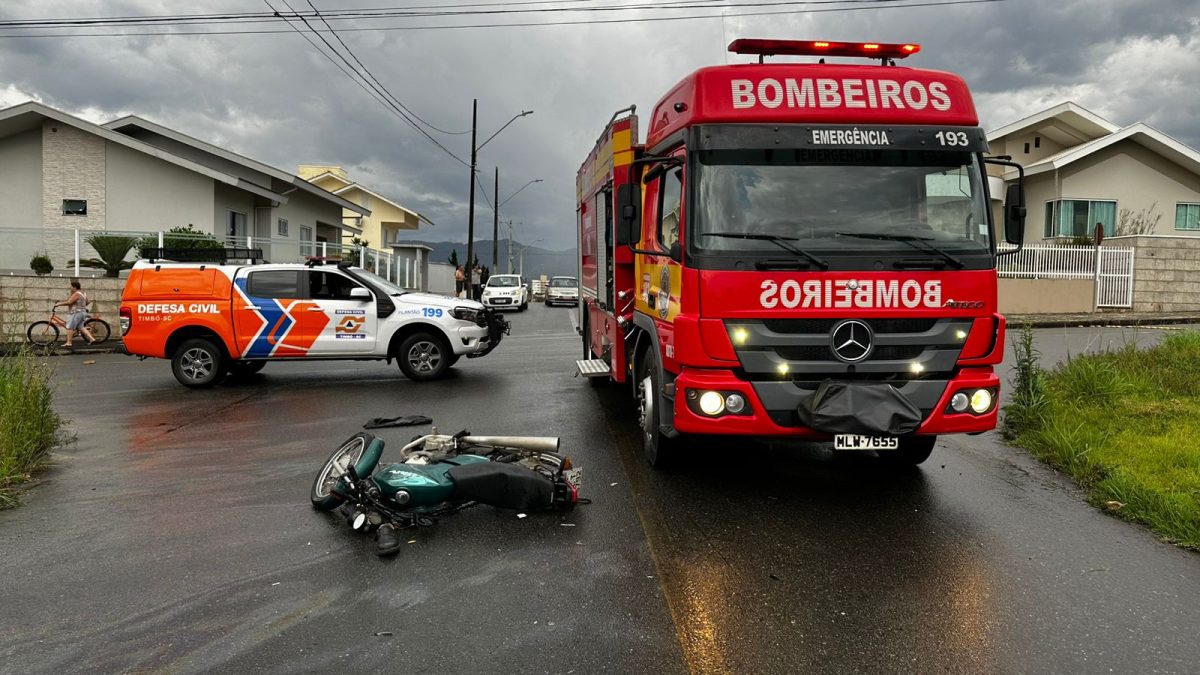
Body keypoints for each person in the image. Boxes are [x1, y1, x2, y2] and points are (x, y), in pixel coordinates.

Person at [54, 280, 95, 348]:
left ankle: (69, 342)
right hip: (82, 312)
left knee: (69, 327)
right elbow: (88, 302)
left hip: (76, 313)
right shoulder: (83, 293)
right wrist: (81, 305)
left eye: (71, 286)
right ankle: (91, 339)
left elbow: (69, 302)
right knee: (81, 327)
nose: (70, 288)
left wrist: (58, 304)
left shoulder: (77, 293)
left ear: (75, 287)